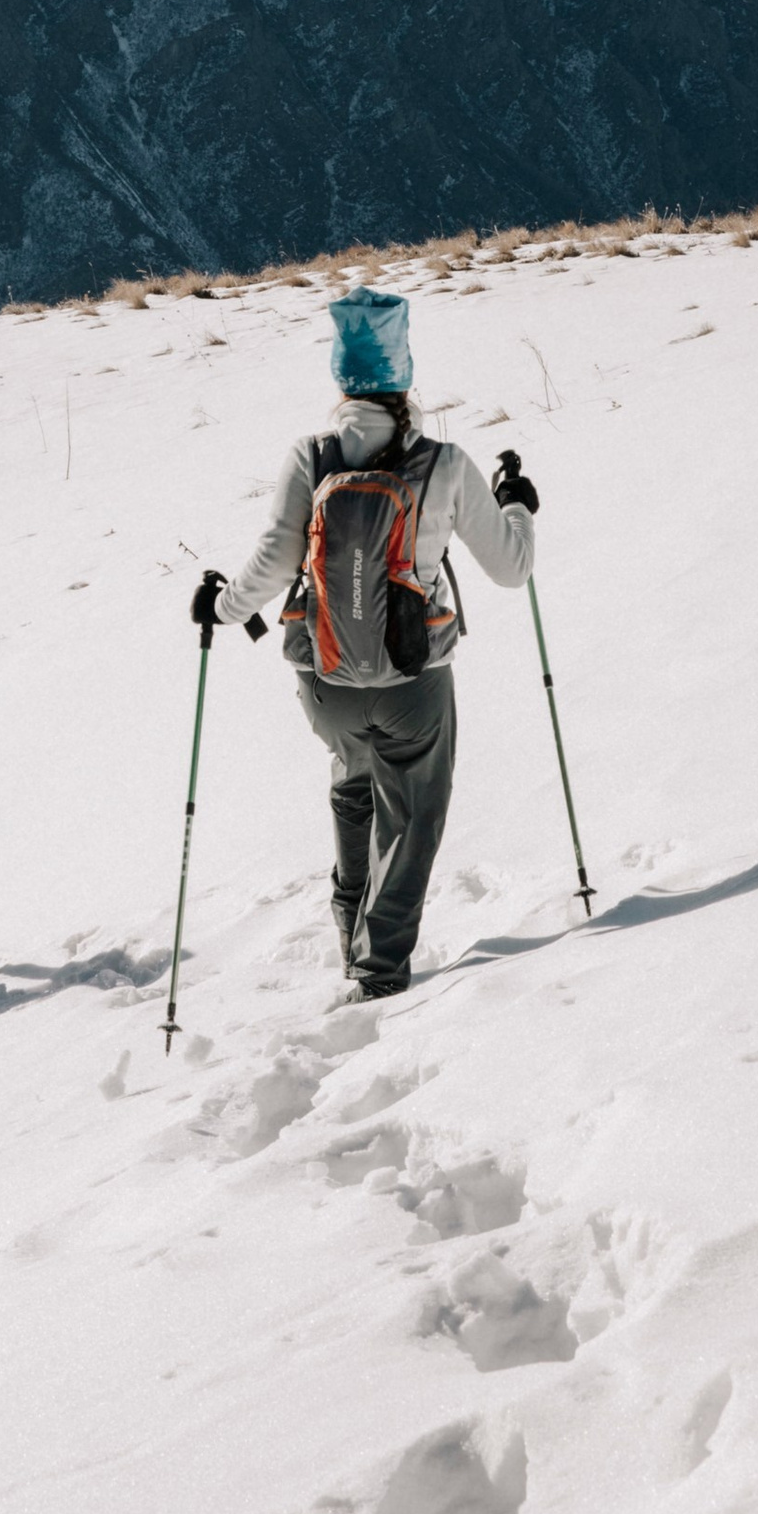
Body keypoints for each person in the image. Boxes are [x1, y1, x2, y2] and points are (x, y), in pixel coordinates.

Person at [194, 285, 539, 998]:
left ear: (340, 376)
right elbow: (511, 569)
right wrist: (516, 506)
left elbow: (271, 564)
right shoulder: (443, 464)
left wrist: (220, 608)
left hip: (325, 684)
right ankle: (378, 971)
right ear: (403, 378)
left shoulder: (311, 455)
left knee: (354, 769)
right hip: (415, 684)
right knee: (411, 813)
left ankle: (348, 916)